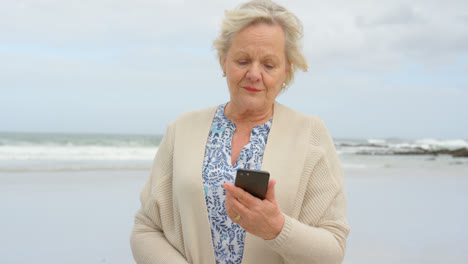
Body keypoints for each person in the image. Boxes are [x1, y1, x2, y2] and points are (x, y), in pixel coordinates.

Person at [130, 0, 349, 263]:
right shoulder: (182, 129)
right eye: (242, 60)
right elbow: (146, 229)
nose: (254, 74)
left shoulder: (310, 134)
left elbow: (333, 250)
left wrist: (276, 228)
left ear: (286, 71)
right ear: (224, 62)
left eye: (269, 65)